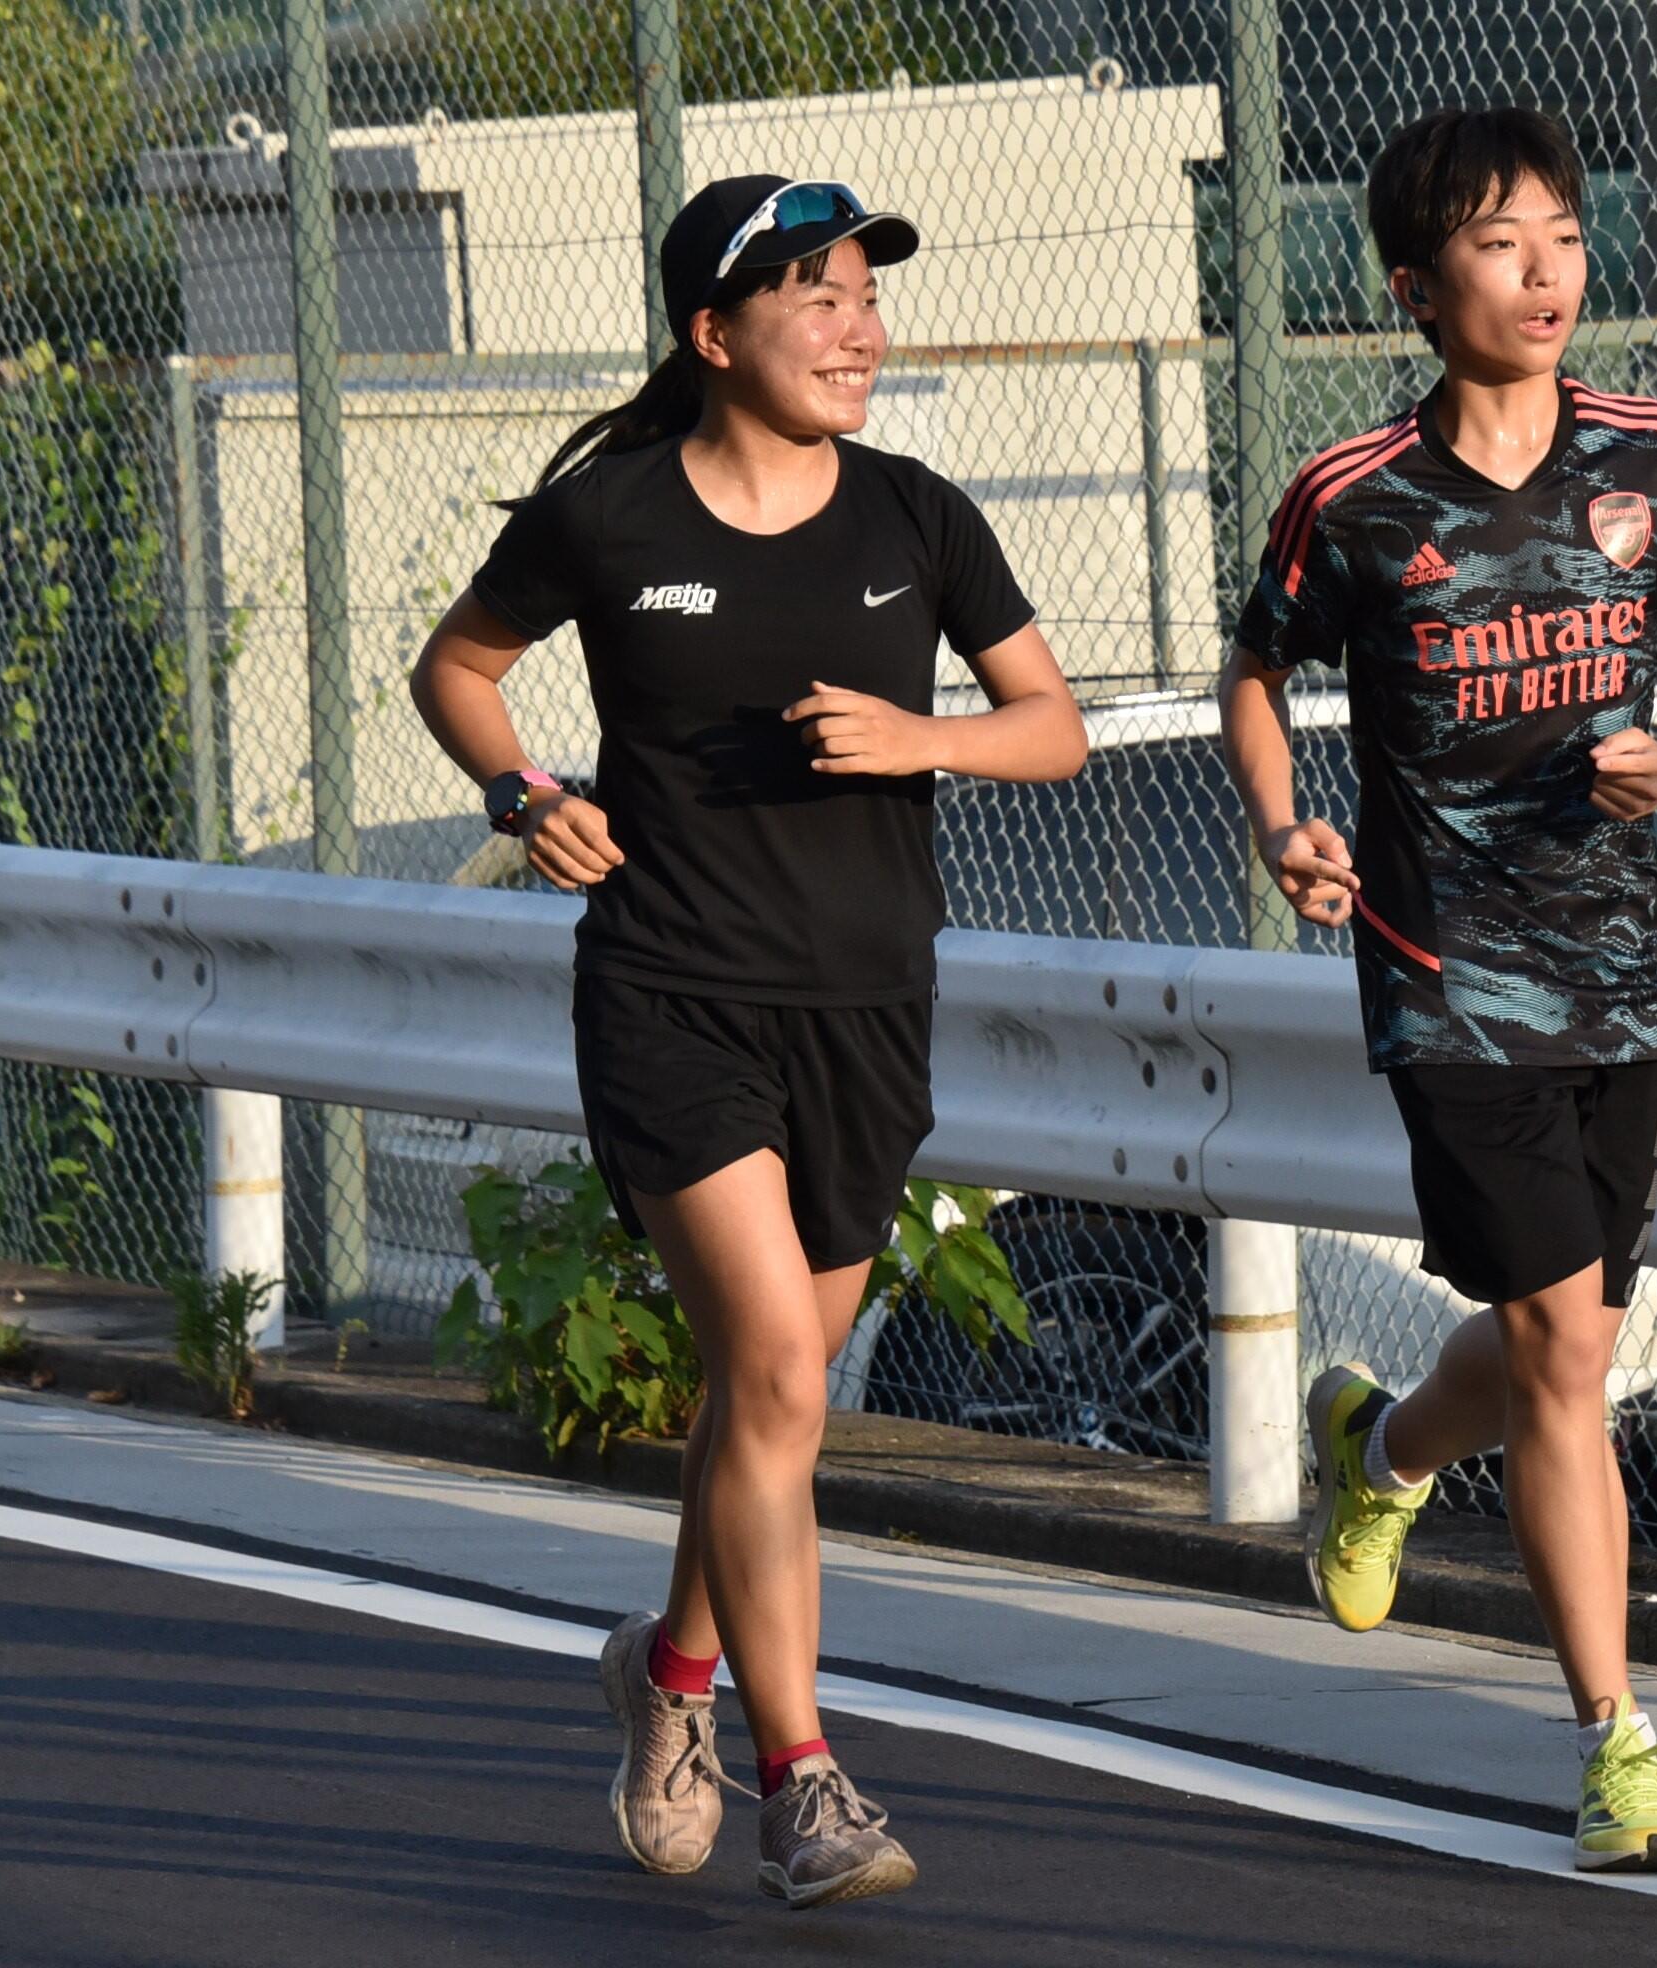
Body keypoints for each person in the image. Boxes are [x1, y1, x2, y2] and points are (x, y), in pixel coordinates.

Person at [409, 175, 1087, 1908]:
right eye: (817, 297)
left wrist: (920, 740)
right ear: (713, 335)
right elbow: (459, 667)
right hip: (670, 994)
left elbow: (1055, 731)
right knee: (781, 1374)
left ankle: (672, 1675)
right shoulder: (612, 519)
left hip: (867, 1010)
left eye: (868, 294)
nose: (860, 326)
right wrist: (521, 788)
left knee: (762, 1401)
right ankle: (807, 1782)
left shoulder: (919, 519)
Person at [1218, 105, 1657, 1874]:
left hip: (1620, 965)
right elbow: (1259, 667)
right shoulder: (1355, 497)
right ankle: (1621, 1745)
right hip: (1442, 974)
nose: (1544, 270)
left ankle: (1380, 1452)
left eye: (1562, 231)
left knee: (1575, 1343)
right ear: (1414, 282)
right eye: (1497, 241)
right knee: (1563, 1356)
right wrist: (1288, 826)